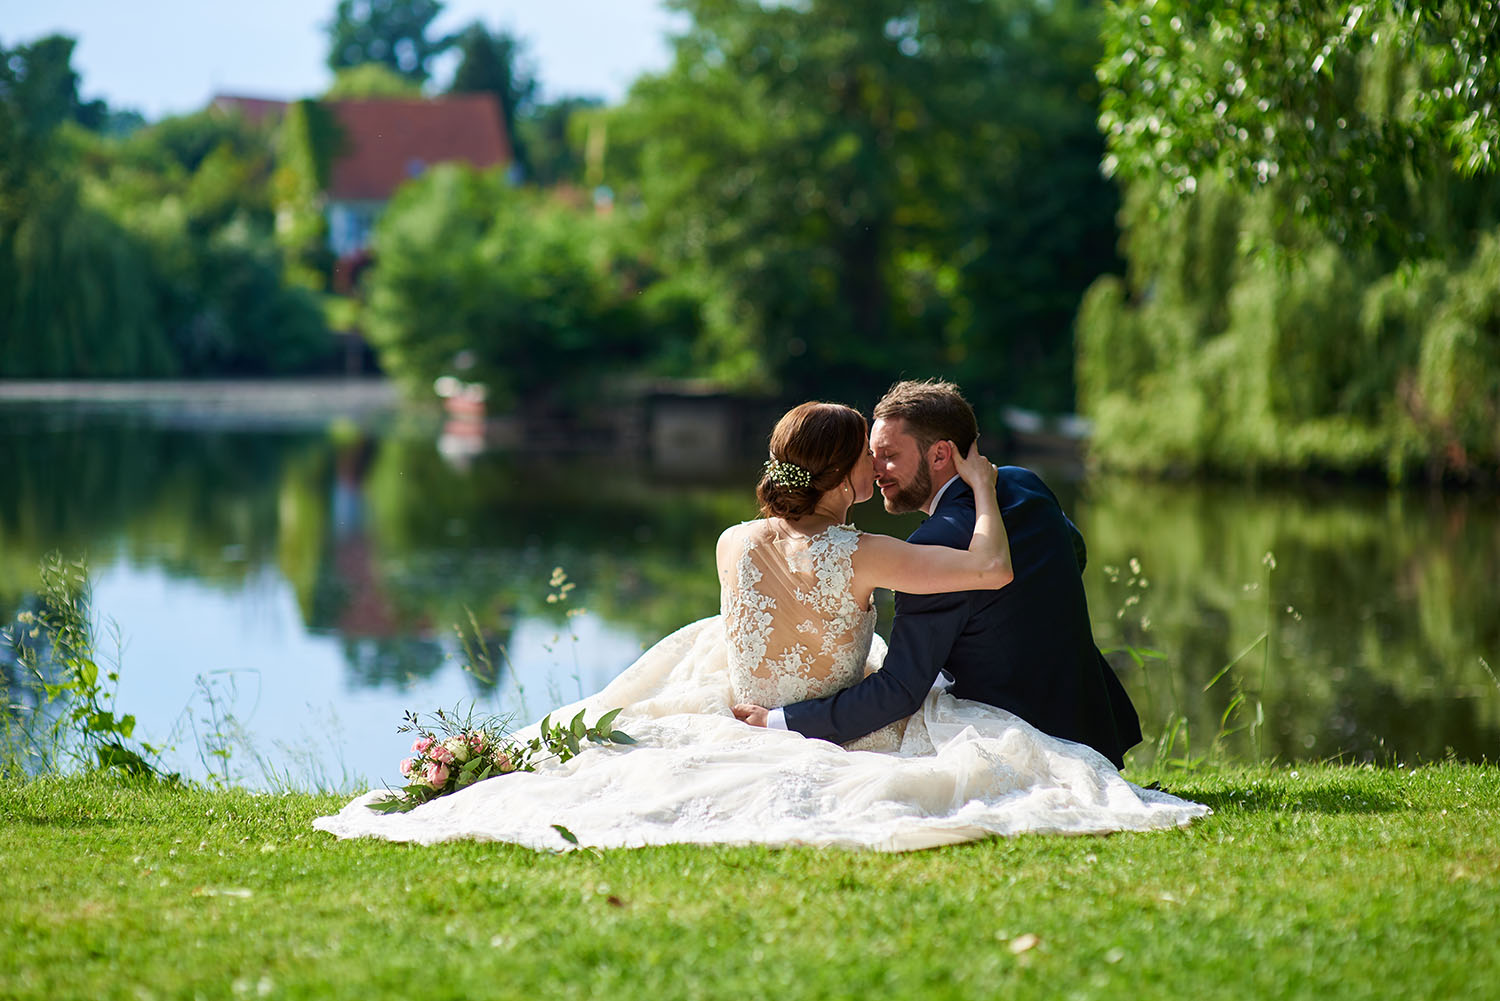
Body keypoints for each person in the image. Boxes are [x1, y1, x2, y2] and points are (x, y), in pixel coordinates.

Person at [314, 400, 1203, 851]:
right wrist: (979, 488)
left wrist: (772, 701)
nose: (875, 470)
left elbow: (767, 608)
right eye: (867, 458)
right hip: (811, 712)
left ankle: (466, 770)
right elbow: (993, 569)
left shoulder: (733, 539)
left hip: (743, 695)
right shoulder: (865, 553)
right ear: (844, 471)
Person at [735, 380, 1142, 768]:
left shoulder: (933, 542)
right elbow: (1075, 553)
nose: (876, 468)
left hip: (1016, 737)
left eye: (889, 454)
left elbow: (900, 691)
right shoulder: (1025, 483)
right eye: (872, 454)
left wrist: (779, 722)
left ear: (940, 455)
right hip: (1092, 723)